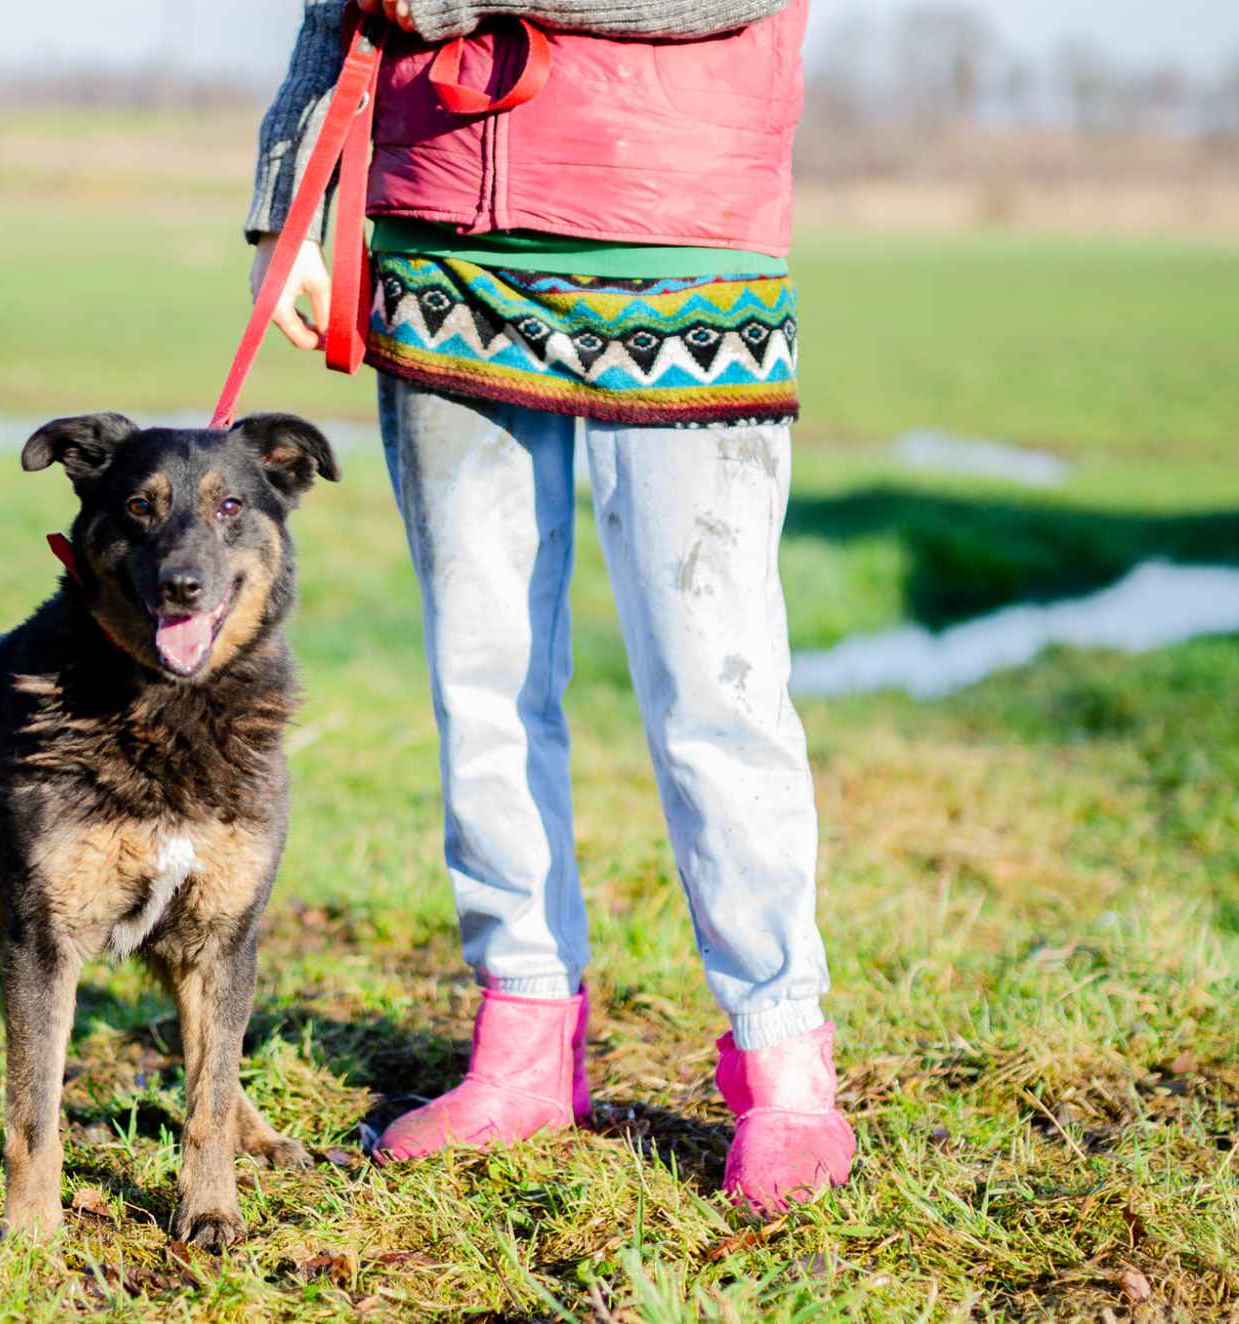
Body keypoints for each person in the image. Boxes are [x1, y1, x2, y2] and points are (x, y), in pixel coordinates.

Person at [245, 0, 854, 1211]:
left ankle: (783, 1059)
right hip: (439, 229)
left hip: (678, 231)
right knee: (481, 673)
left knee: (714, 681)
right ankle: (522, 1033)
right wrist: (285, 197)